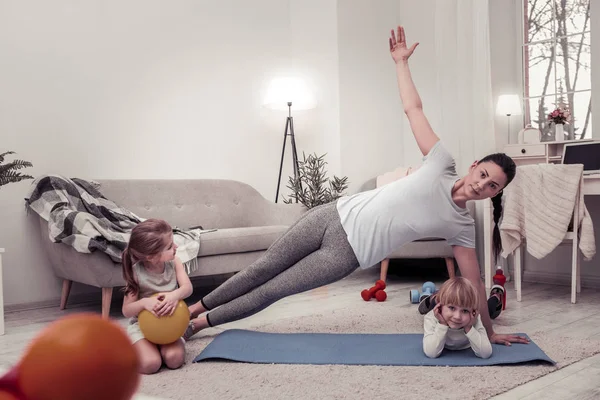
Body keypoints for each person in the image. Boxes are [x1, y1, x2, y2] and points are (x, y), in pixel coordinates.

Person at [184, 25, 529, 347]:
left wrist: (491, 330)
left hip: (345, 254)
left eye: (492, 186)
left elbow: (474, 282)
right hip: (332, 214)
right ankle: (194, 307)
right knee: (261, 268)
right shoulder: (441, 162)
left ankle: (198, 324)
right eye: (483, 174)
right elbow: (413, 109)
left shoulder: (462, 227)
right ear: (474, 167)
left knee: (273, 290)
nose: (482, 185)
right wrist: (400, 64)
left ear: (495, 193)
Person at [121, 219, 194, 374]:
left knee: (175, 360)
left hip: (171, 326)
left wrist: (175, 295)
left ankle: (162, 346)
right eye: (169, 246)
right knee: (150, 364)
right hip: (142, 328)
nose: (176, 247)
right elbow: (127, 310)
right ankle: (136, 348)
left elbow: (187, 288)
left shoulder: (175, 262)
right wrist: (144, 303)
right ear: (151, 257)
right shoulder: (136, 273)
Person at [423, 277, 493, 359]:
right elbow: (431, 353)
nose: (457, 317)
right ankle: (430, 298)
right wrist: (442, 324)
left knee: (490, 308)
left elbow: (485, 353)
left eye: (465, 311)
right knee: (433, 303)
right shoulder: (430, 318)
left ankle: (496, 294)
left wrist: (469, 327)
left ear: (473, 311)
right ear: (440, 307)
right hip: (437, 305)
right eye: (452, 308)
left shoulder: (474, 319)